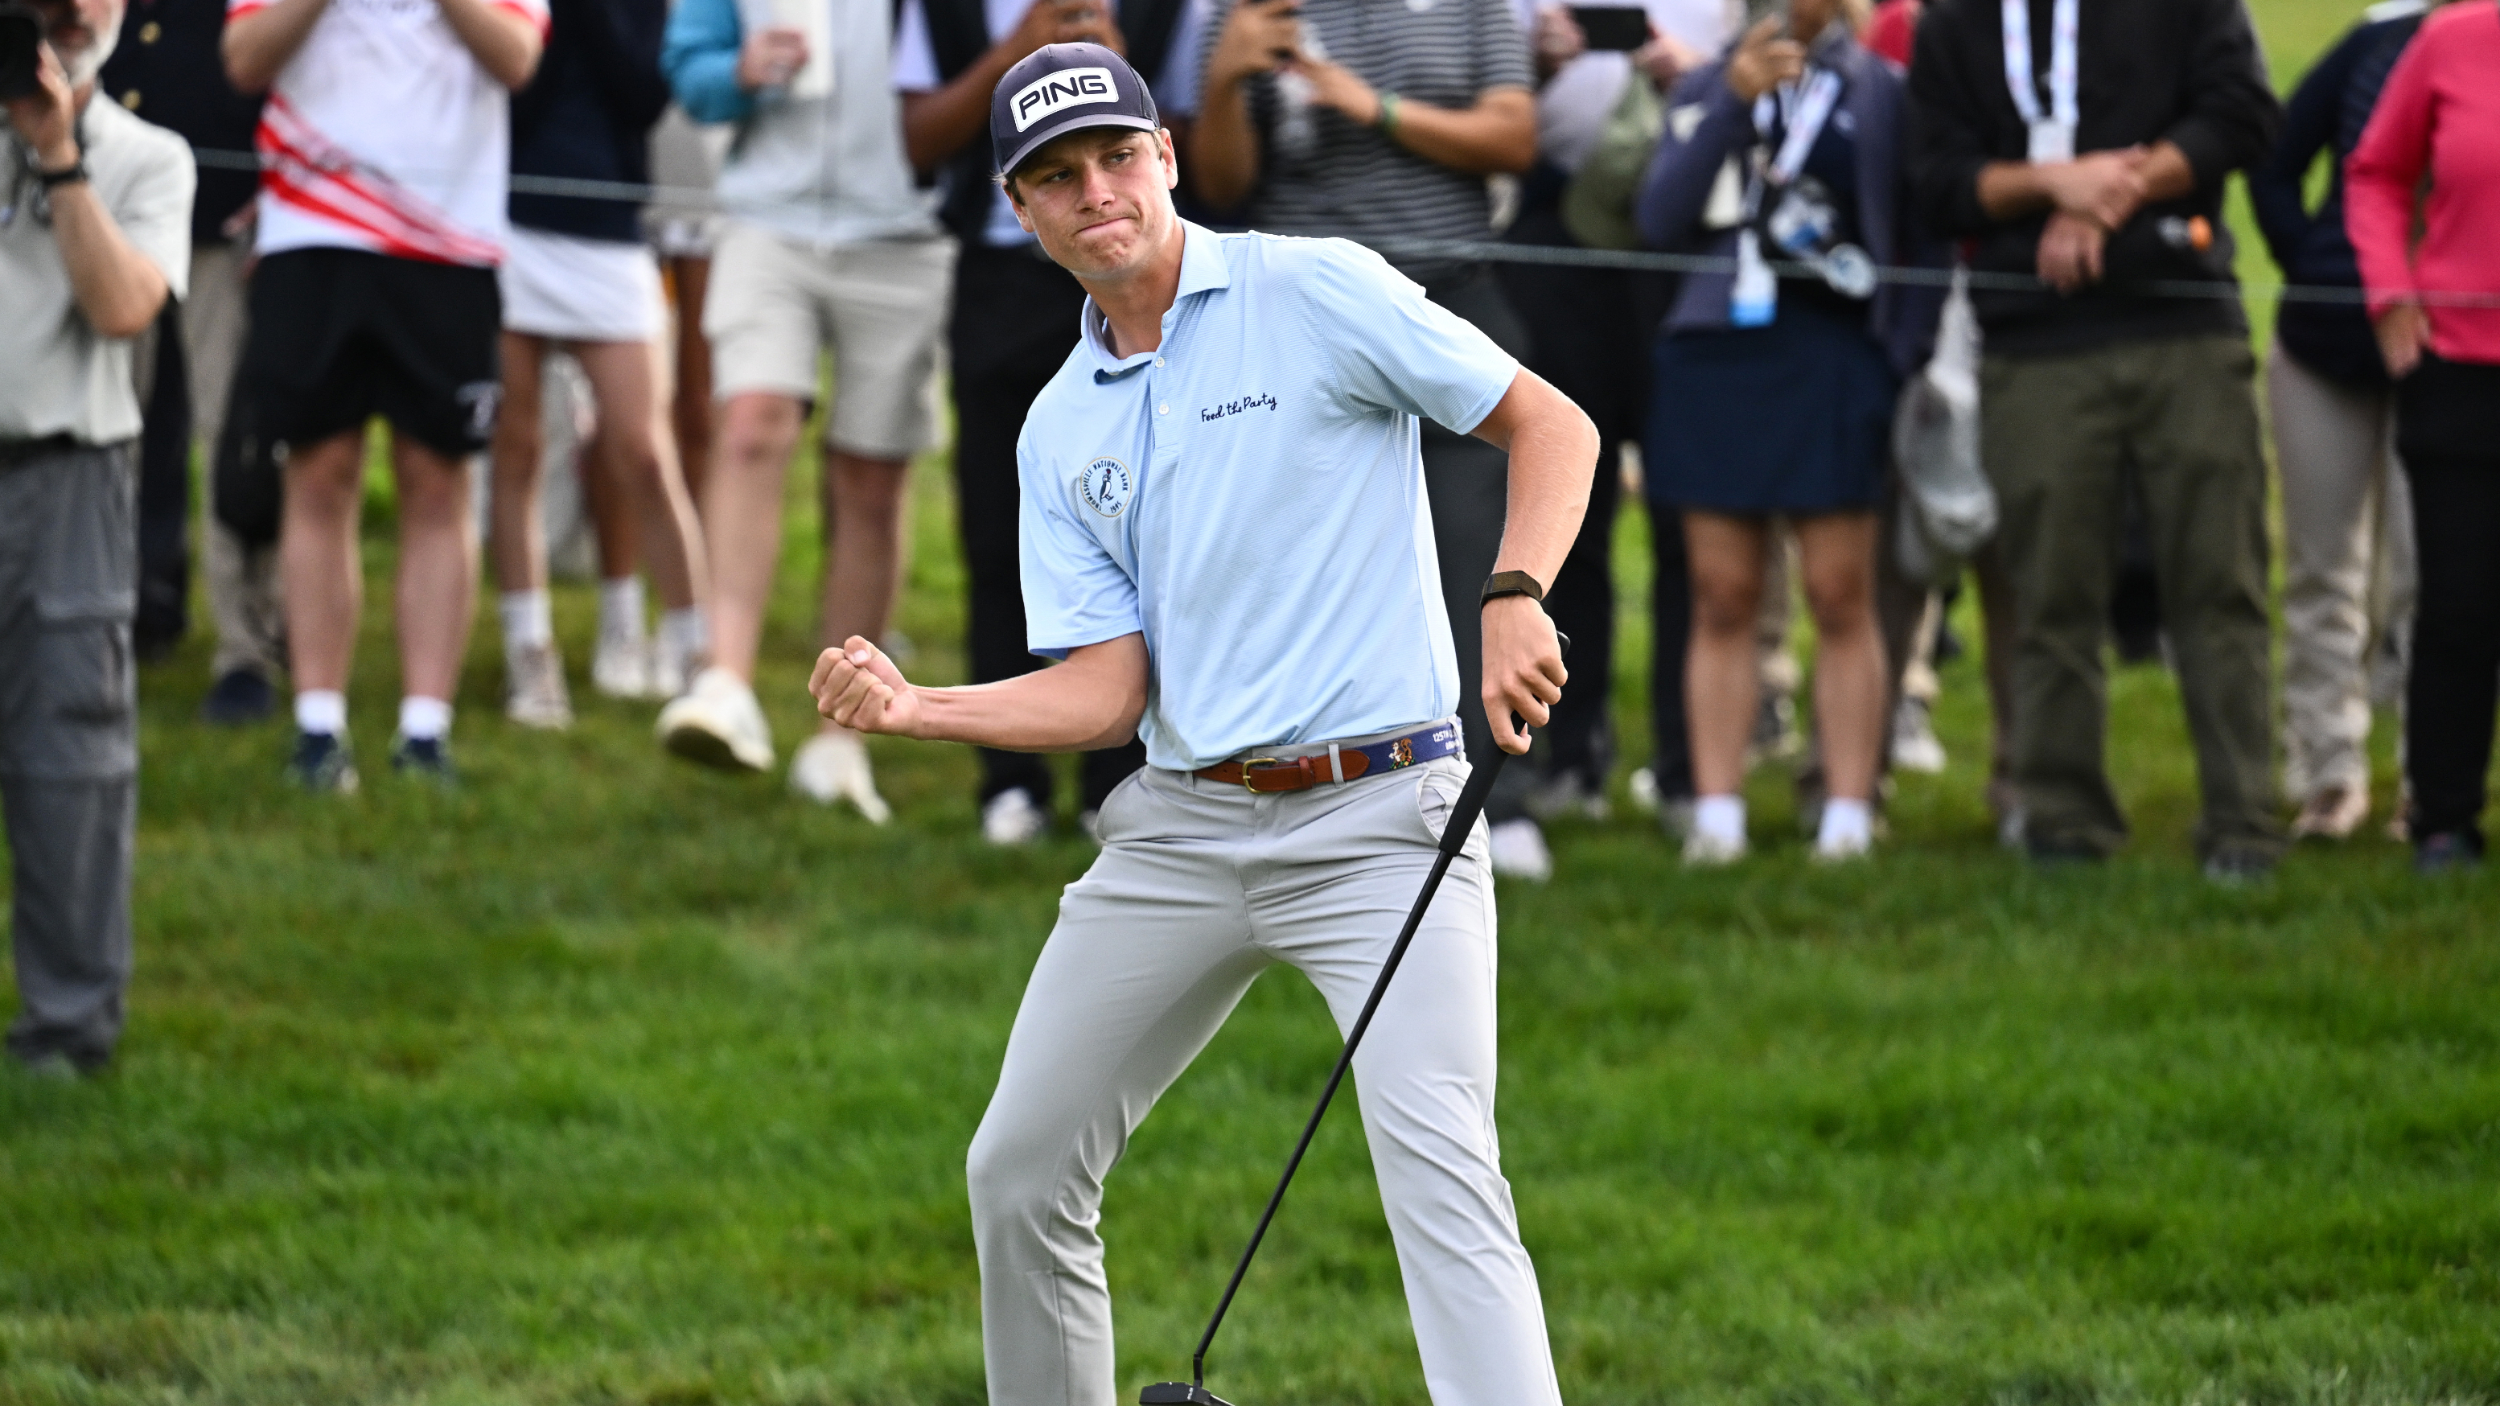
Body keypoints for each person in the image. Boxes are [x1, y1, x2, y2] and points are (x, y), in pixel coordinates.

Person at [811, 43, 1592, 1405]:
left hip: (1382, 817)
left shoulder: (1316, 289)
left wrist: (1515, 593)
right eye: (1057, 177)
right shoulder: (1055, 429)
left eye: (1116, 157)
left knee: (1440, 1169)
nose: (1094, 191)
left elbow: (1551, 427)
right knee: (1020, 1162)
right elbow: (1111, 692)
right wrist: (920, 705)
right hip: (1179, 831)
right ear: (1021, 208)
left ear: (1167, 156)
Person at [1908, 0, 2285, 877]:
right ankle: (2064, 823)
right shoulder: (1954, 20)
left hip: (2182, 323)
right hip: (2033, 344)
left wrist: (2110, 194)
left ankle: (2243, 826)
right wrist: (2050, 187)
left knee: (2219, 586)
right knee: (2052, 594)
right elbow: (1934, 179)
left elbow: (2242, 114)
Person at [1188, 0, 1562, 879]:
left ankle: (1493, 800)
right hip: (1295, 325)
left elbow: (1513, 139)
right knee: (1307, 563)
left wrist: (1371, 107)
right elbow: (1220, 184)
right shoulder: (1250, 10)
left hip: (1445, 296)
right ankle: (1313, 795)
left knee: (1476, 547)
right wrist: (1224, 78)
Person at [1636, 1, 1939, 863]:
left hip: (1835, 357)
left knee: (1842, 590)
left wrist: (1897, 355)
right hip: (1716, 354)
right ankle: (1718, 813)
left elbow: (1919, 241)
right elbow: (1659, 217)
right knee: (1722, 592)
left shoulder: (1881, 90)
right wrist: (1729, 102)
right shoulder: (1704, 81)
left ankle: (1847, 813)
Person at [894, 0, 1201, 844]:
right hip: (999, 279)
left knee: (1142, 532)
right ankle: (1009, 780)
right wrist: (1018, 53)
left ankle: (1120, 780)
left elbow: (1195, 140)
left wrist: (1111, 84)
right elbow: (918, 136)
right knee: (997, 532)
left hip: (1136, 276)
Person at [222, 0, 546, 790]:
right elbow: (243, 56)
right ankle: (318, 727)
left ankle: (424, 732)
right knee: (318, 473)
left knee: (438, 481)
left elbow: (516, 56)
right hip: (312, 233)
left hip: (446, 238)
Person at [656, 0, 953, 822]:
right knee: (751, 425)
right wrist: (739, 74)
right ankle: (724, 685)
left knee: (870, 477)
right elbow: (690, 68)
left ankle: (841, 741)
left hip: (908, 231)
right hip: (766, 220)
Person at [2, 0, 193, 1076]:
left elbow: (124, 307)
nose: (73, 13)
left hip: (69, 475)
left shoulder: (149, 158)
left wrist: (58, 158)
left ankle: (66, 1035)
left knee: (69, 760)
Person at [1504, 0, 1717, 832]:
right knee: (1565, 515)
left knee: (1689, 519)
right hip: (1555, 244)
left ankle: (1689, 765)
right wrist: (1537, 65)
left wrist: (1705, 81)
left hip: (1686, 239)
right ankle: (1572, 750)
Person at [489, 0, 709, 728]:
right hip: (506, 214)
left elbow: (642, 94)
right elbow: (508, 89)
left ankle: (694, 657)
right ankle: (530, 651)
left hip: (610, 226)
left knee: (645, 451)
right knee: (516, 446)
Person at [2250, 0, 2436, 842]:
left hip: (2448, 356)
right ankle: (2328, 776)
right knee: (2323, 573)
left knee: (2427, 582)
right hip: (2325, 348)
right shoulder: (2376, 43)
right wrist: (2318, 266)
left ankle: (2430, 783)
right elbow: (2275, 161)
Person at [2345, 0, 2500, 872]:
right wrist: (2390, 290)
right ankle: (2443, 817)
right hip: (2460, 374)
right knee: (2460, 606)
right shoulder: (2450, 38)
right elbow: (2374, 172)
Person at [96, 0, 276, 720]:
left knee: (229, 436)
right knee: (106, 429)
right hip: (106, 212)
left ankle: (245, 650)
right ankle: (104, 619)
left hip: (222, 207)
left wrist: (275, 185)